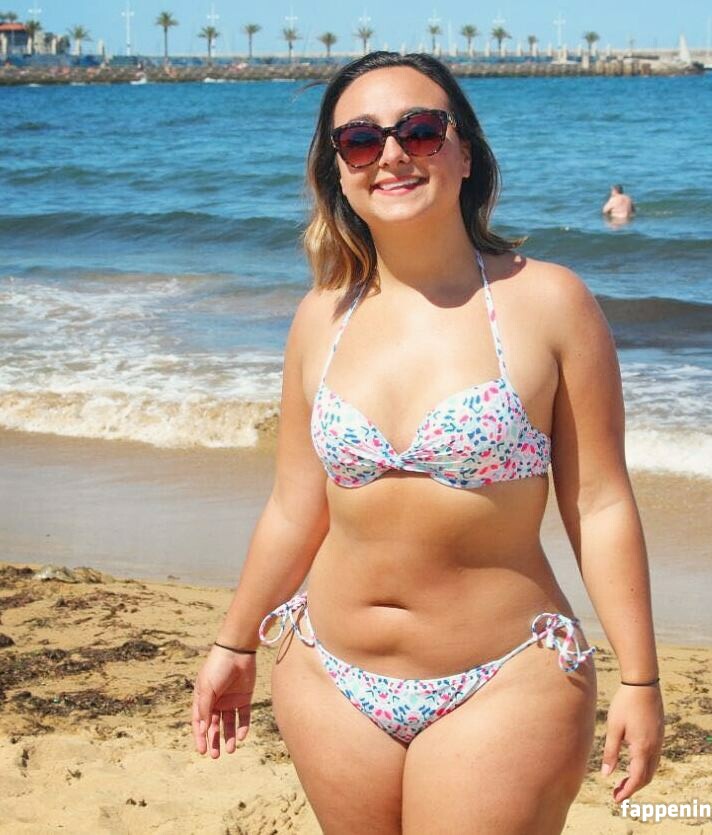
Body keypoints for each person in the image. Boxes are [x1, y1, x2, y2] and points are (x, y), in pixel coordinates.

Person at [191, 51, 664, 833]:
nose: (391, 155)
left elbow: (599, 503)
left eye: (418, 130)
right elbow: (294, 506)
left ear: (464, 152)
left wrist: (639, 680)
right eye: (359, 140)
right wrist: (234, 642)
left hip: (504, 678)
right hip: (325, 674)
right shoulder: (321, 316)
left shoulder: (547, 301)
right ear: (337, 170)